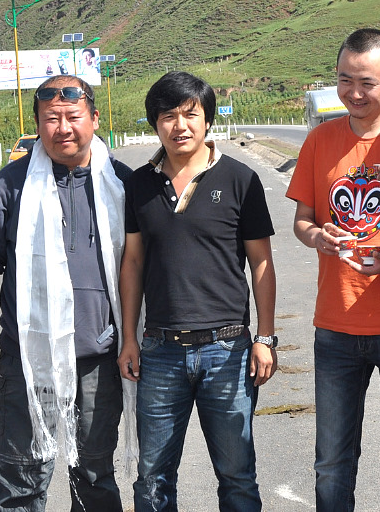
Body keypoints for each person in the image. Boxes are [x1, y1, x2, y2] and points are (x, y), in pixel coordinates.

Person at [287, 28, 380, 511]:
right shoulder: (320, 139)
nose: (354, 93)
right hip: (335, 325)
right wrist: (319, 237)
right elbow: (303, 221)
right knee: (332, 461)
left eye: (367, 82)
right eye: (344, 80)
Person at [0, 75, 132, 511]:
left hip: (98, 359)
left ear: (94, 118)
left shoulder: (122, 183)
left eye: (72, 117)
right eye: (50, 119)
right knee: (20, 479)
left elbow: (146, 264)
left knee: (94, 478)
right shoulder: (13, 183)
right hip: (28, 357)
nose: (62, 128)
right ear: (38, 125)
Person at [117, 71, 277, 511]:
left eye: (191, 114)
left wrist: (265, 338)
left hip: (228, 351)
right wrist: (130, 337)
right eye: (168, 116)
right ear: (155, 123)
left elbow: (262, 263)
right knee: (152, 480)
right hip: (160, 350)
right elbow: (132, 263)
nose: (180, 125)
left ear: (207, 120)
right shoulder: (139, 184)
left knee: (237, 477)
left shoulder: (240, 179)